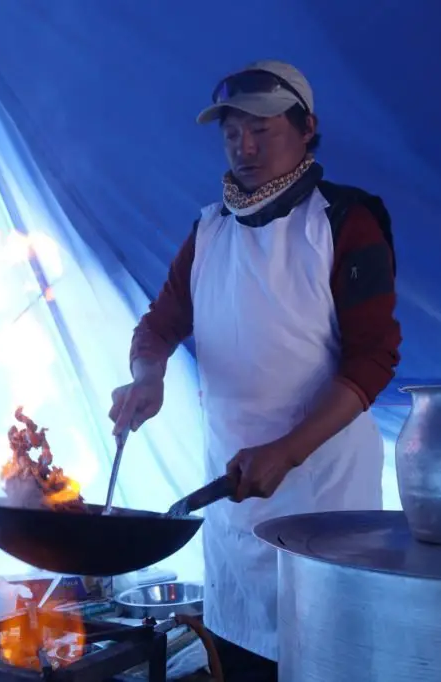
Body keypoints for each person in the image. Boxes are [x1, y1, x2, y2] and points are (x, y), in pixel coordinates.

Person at [108, 60, 402, 680]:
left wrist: (288, 451)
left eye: (261, 130)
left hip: (328, 499)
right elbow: (159, 325)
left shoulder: (345, 220)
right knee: (241, 658)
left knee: (326, 657)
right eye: (231, 133)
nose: (244, 147)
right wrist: (147, 376)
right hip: (235, 501)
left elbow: (374, 357)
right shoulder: (209, 229)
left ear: (307, 128)